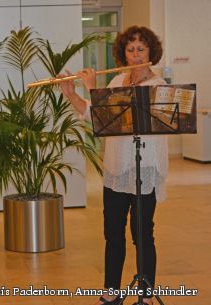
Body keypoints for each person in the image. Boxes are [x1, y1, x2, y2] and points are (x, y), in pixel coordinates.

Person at [58, 26, 167, 305]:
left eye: (141, 49)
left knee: (142, 235)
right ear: (123, 53)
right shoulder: (118, 80)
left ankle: (146, 294)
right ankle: (111, 292)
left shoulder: (158, 86)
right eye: (130, 49)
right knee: (112, 233)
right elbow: (95, 116)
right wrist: (70, 92)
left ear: (151, 53)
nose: (135, 54)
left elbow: (116, 114)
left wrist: (94, 88)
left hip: (144, 169)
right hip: (117, 169)